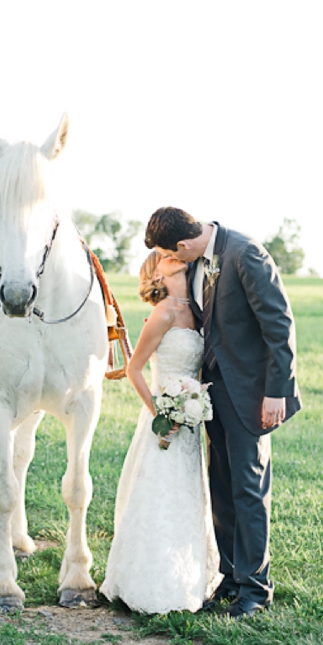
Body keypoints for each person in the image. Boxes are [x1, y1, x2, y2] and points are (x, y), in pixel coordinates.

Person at [144, 207, 301, 619]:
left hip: (252, 394)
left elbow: (279, 325)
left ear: (182, 244)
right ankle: (229, 579)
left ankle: (254, 591)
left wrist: (276, 392)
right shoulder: (196, 260)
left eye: (169, 253)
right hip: (212, 396)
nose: (169, 262)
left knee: (249, 491)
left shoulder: (245, 254)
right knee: (221, 487)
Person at [100, 252, 222, 614]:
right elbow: (135, 370)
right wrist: (161, 414)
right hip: (164, 424)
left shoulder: (199, 311)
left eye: (174, 251)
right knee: (159, 497)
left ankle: (188, 579)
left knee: (187, 500)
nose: (174, 255)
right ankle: (148, 584)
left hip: (190, 423)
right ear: (156, 273)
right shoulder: (162, 313)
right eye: (164, 256)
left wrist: (192, 403)